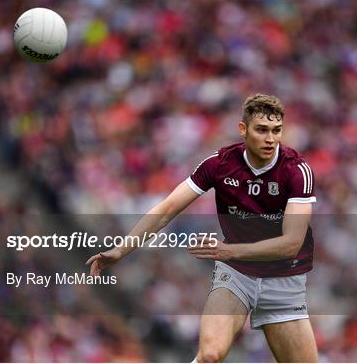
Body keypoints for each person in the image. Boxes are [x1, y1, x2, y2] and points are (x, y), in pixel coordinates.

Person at [86, 94, 318, 362]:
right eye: (261, 130)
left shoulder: (296, 170)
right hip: (237, 276)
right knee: (210, 354)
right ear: (243, 130)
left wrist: (230, 251)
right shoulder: (219, 164)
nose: (270, 139)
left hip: (283, 279)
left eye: (276, 131)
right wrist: (121, 250)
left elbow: (290, 243)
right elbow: (166, 209)